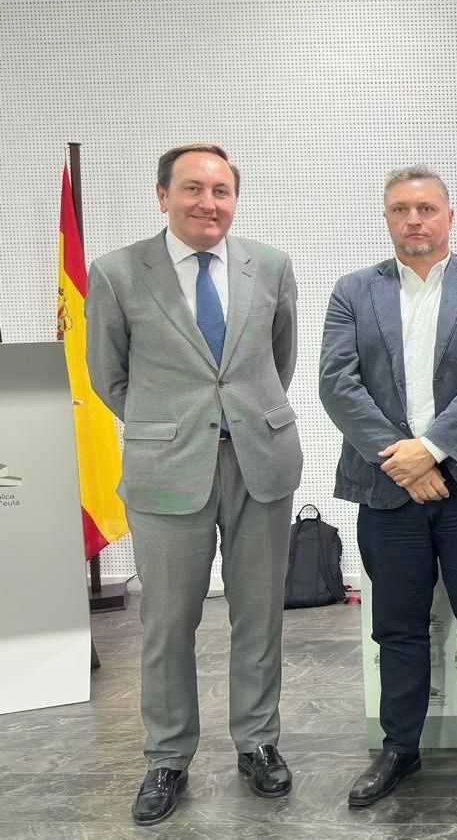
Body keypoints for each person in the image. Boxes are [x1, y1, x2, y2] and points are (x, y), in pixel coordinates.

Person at [86, 144, 302, 826]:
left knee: (259, 616)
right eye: (192, 189)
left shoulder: (269, 265)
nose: (208, 202)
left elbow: (280, 356)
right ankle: (168, 757)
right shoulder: (118, 273)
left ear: (234, 200)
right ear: (162, 195)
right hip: (166, 467)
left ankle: (259, 743)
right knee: (168, 623)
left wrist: (238, 419)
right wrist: (171, 425)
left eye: (221, 191)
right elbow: (107, 376)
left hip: (257, 463)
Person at [319, 166, 457, 808]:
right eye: (400, 209)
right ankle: (399, 750)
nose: (414, 219)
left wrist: (433, 451)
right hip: (388, 488)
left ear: (449, 216)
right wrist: (403, 462)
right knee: (397, 627)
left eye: (426, 208)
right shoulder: (353, 291)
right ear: (386, 218)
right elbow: (337, 382)